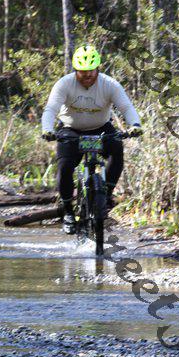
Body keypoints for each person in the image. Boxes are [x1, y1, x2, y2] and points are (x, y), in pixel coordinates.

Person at [41, 45, 142, 233]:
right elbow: (50, 109)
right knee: (64, 168)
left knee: (117, 150)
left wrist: (135, 125)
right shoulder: (64, 84)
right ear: (75, 70)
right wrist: (47, 129)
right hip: (70, 129)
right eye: (83, 71)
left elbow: (126, 107)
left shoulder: (109, 84)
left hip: (102, 128)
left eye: (91, 70)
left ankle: (105, 196)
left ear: (98, 68)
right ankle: (68, 211)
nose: (87, 75)